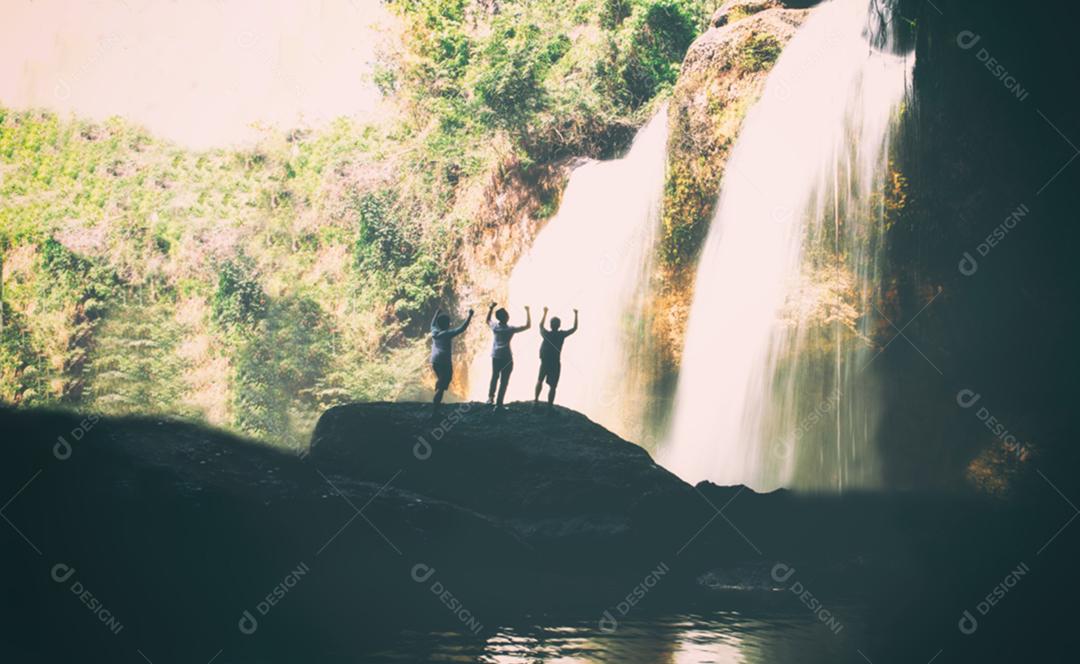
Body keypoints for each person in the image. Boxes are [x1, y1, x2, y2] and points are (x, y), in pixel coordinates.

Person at [486, 302, 530, 411]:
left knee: (494, 376)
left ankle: (490, 398)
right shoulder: (510, 329)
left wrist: (491, 308)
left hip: (495, 356)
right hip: (506, 357)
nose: (508, 316)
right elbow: (527, 326)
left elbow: (487, 320)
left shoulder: (495, 327)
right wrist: (528, 311)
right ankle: (499, 404)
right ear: (506, 317)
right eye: (507, 314)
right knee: (504, 381)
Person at [429, 307, 473, 415]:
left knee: (442, 381)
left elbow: (432, 324)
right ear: (447, 324)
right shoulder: (447, 334)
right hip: (444, 361)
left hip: (434, 360)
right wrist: (470, 316)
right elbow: (462, 328)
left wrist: (436, 313)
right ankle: (435, 410)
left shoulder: (434, 331)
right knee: (443, 385)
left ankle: (438, 392)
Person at [535, 307, 578, 411]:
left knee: (540, 380)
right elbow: (574, 328)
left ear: (550, 325)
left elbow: (540, 326)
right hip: (555, 363)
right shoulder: (561, 335)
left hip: (545, 362)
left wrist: (544, 313)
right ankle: (549, 406)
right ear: (559, 326)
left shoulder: (546, 334)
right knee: (553, 386)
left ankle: (536, 401)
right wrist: (576, 314)